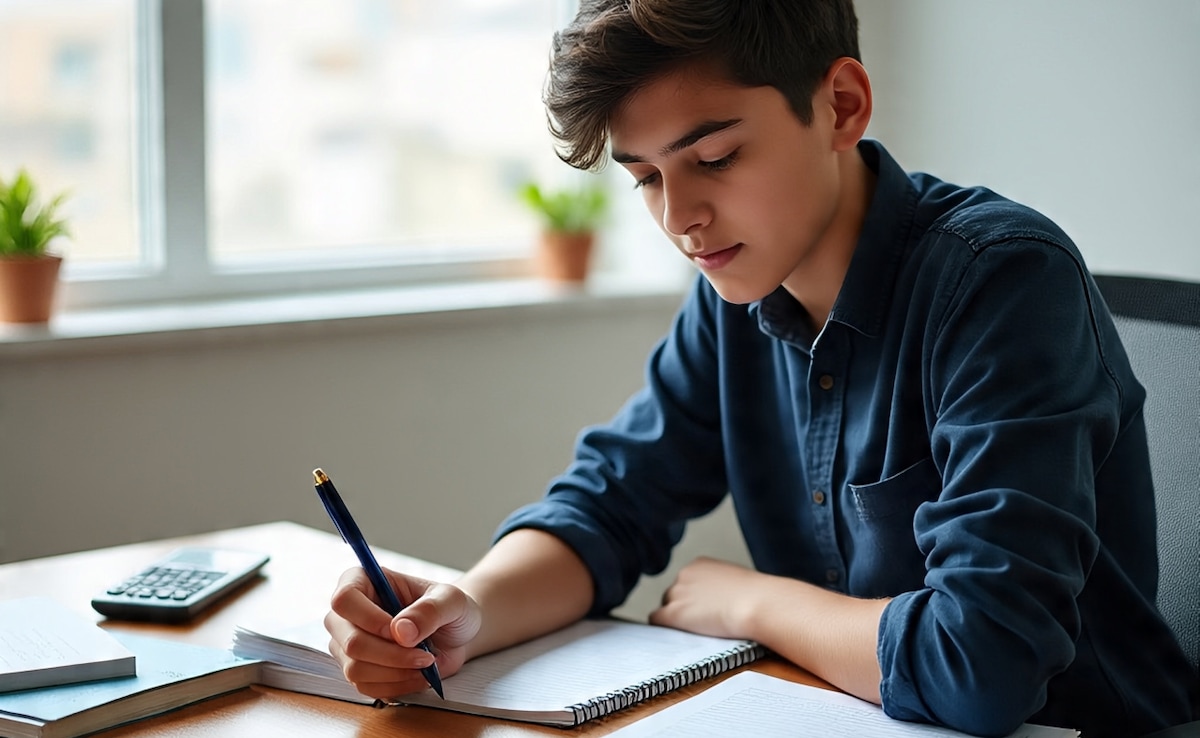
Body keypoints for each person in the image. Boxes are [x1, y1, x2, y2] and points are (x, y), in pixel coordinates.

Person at [324, 1, 1195, 736]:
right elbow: (610, 506)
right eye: (646, 179)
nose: (682, 219)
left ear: (843, 106)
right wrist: (465, 612)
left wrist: (752, 604)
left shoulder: (1003, 281)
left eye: (714, 159)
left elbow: (987, 663)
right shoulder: (737, 294)